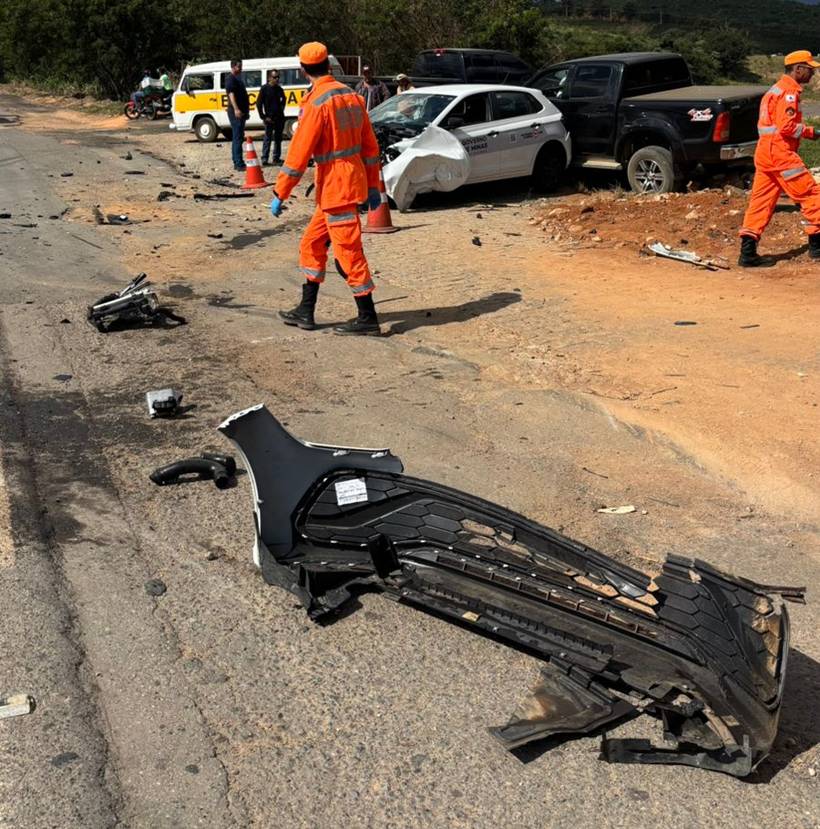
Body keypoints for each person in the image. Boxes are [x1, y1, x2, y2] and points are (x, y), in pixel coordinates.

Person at [270, 42, 383, 336]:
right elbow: (371, 148)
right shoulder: (352, 96)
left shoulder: (317, 102)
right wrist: (373, 185)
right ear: (328, 66)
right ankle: (306, 310)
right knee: (312, 244)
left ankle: (367, 317)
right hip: (341, 186)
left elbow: (298, 153)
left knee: (348, 253)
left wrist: (281, 192)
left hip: (337, 188)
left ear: (303, 69)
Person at [738, 49, 820, 266]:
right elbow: (786, 127)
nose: (812, 73)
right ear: (798, 69)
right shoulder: (788, 92)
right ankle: (817, 246)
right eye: (809, 69)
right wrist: (811, 132)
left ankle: (747, 253)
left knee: (761, 202)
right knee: (812, 195)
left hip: (765, 153)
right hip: (780, 154)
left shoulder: (775, 90)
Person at [257, 69, 287, 165]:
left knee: (278, 139)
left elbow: (284, 99)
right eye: (274, 77)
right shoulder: (264, 89)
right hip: (269, 118)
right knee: (267, 138)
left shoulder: (279, 89)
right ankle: (264, 158)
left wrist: (281, 109)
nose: (277, 79)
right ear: (269, 78)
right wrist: (263, 116)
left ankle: (276, 158)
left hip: (279, 118)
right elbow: (259, 103)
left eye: (278, 77)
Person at [225, 59, 250, 172]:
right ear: (233, 67)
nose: (241, 68)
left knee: (239, 136)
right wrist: (236, 109)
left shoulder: (238, 79)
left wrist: (246, 112)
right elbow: (231, 95)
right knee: (237, 137)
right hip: (236, 112)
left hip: (242, 112)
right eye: (239, 66)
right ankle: (238, 163)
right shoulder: (231, 79)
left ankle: (238, 161)